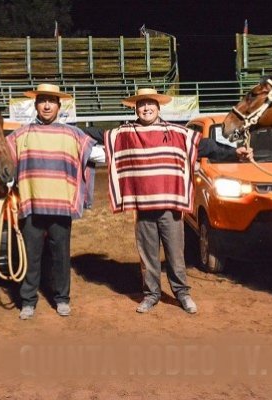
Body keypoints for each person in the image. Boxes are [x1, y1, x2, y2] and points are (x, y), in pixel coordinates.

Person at [98, 89, 248, 315]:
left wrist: (236, 153)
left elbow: (208, 147)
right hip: (144, 206)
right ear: (135, 108)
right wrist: (68, 133)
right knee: (147, 254)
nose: (146, 108)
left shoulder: (177, 134)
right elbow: (97, 134)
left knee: (175, 252)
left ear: (158, 107)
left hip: (170, 206)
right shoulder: (125, 134)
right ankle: (151, 294)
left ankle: (182, 293)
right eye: (141, 105)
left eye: (150, 104)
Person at [6, 83, 102, 320]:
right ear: (36, 105)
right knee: (30, 255)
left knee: (61, 256)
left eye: (51, 101)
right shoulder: (21, 134)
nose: (47, 105)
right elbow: (4, 160)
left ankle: (62, 299)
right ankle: (28, 300)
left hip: (60, 206)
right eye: (42, 101)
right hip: (31, 205)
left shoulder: (72, 134)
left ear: (59, 106)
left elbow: (95, 155)